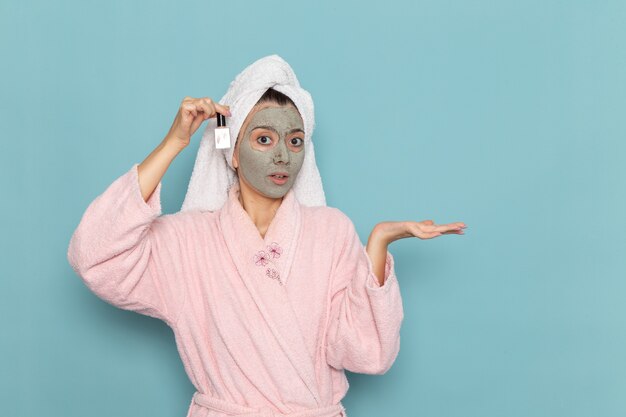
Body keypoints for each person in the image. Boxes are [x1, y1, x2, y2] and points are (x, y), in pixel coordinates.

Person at [67, 55, 466, 417]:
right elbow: (96, 256)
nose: (282, 156)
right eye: (263, 139)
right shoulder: (188, 242)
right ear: (233, 152)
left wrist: (378, 243)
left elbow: (368, 352)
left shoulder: (331, 231)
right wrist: (174, 143)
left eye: (295, 141)